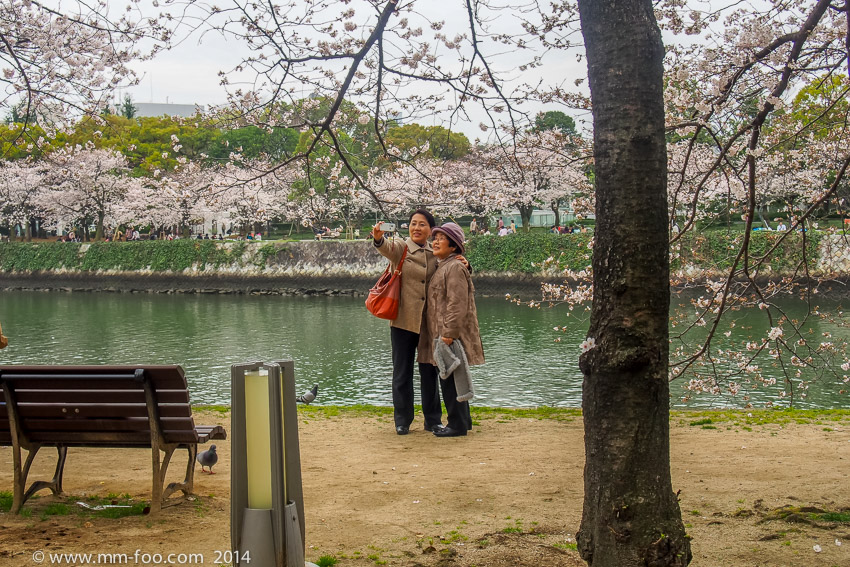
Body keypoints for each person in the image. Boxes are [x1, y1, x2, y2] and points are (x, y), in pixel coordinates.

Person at [372, 210, 473, 436]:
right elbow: (385, 247)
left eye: (422, 225)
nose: (417, 228)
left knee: (430, 371)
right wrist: (378, 238)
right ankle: (403, 420)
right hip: (403, 319)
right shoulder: (401, 247)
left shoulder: (436, 251)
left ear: (431, 230)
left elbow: (453, 269)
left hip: (430, 323)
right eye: (413, 224)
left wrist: (466, 264)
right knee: (401, 372)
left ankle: (432, 420)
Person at [421, 222, 484, 437]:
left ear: (454, 245)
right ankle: (462, 422)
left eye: (441, 238)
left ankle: (456, 425)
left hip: (447, 334)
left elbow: (457, 303)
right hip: (442, 332)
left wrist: (448, 333)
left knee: (450, 378)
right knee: (451, 376)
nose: (435, 241)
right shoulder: (446, 265)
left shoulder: (454, 267)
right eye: (434, 237)